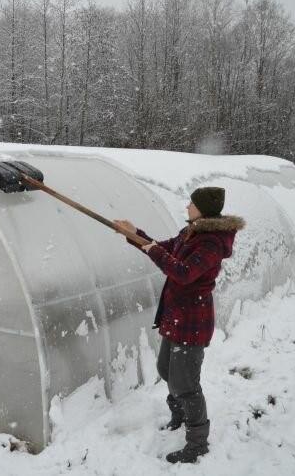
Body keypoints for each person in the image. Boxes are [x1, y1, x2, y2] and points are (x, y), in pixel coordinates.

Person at [113, 187, 244, 464]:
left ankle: (197, 443)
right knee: (165, 369)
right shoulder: (192, 232)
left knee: (185, 383)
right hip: (176, 315)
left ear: (203, 209)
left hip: (193, 319)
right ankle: (181, 415)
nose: (187, 206)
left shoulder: (211, 243)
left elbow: (183, 273)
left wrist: (151, 250)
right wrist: (134, 233)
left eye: (192, 203)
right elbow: (166, 247)